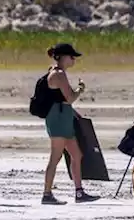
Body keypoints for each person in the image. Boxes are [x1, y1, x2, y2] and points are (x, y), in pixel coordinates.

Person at [41, 42, 98, 205]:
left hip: (63, 116)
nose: (74, 59)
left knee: (76, 155)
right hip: (58, 119)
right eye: (71, 57)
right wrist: (81, 88)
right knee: (55, 157)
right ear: (63, 57)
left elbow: (62, 99)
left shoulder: (58, 72)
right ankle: (46, 194)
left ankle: (79, 192)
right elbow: (70, 97)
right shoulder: (58, 74)